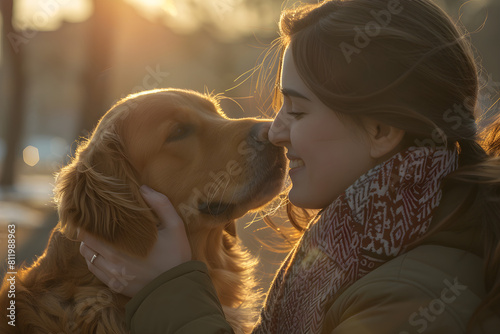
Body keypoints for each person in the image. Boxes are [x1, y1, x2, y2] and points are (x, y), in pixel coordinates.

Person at [78, 0, 500, 333]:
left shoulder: (408, 297)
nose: (272, 131)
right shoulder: (366, 244)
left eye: (296, 112)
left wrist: (168, 291)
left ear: (380, 130)